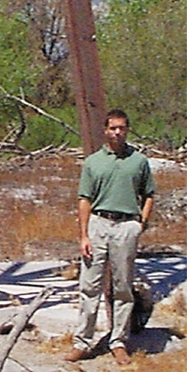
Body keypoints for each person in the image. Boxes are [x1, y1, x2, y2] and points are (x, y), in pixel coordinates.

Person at [64, 109, 154, 365]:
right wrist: (83, 235)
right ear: (105, 130)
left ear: (127, 130)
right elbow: (84, 199)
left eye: (122, 128)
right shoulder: (93, 162)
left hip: (126, 225)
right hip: (98, 224)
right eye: (113, 128)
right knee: (89, 286)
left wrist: (141, 223)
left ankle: (118, 342)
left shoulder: (138, 161)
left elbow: (149, 194)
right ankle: (83, 342)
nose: (117, 132)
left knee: (123, 286)